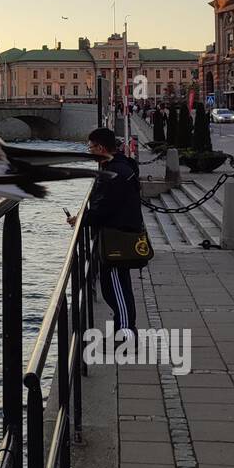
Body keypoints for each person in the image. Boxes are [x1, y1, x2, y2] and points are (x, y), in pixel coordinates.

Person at [67, 127, 144, 341]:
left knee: (117, 288)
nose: (89, 151)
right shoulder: (120, 166)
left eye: (90, 147)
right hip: (119, 234)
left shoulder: (113, 172)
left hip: (118, 237)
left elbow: (105, 207)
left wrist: (81, 219)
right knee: (115, 287)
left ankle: (127, 334)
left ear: (101, 148)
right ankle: (124, 330)